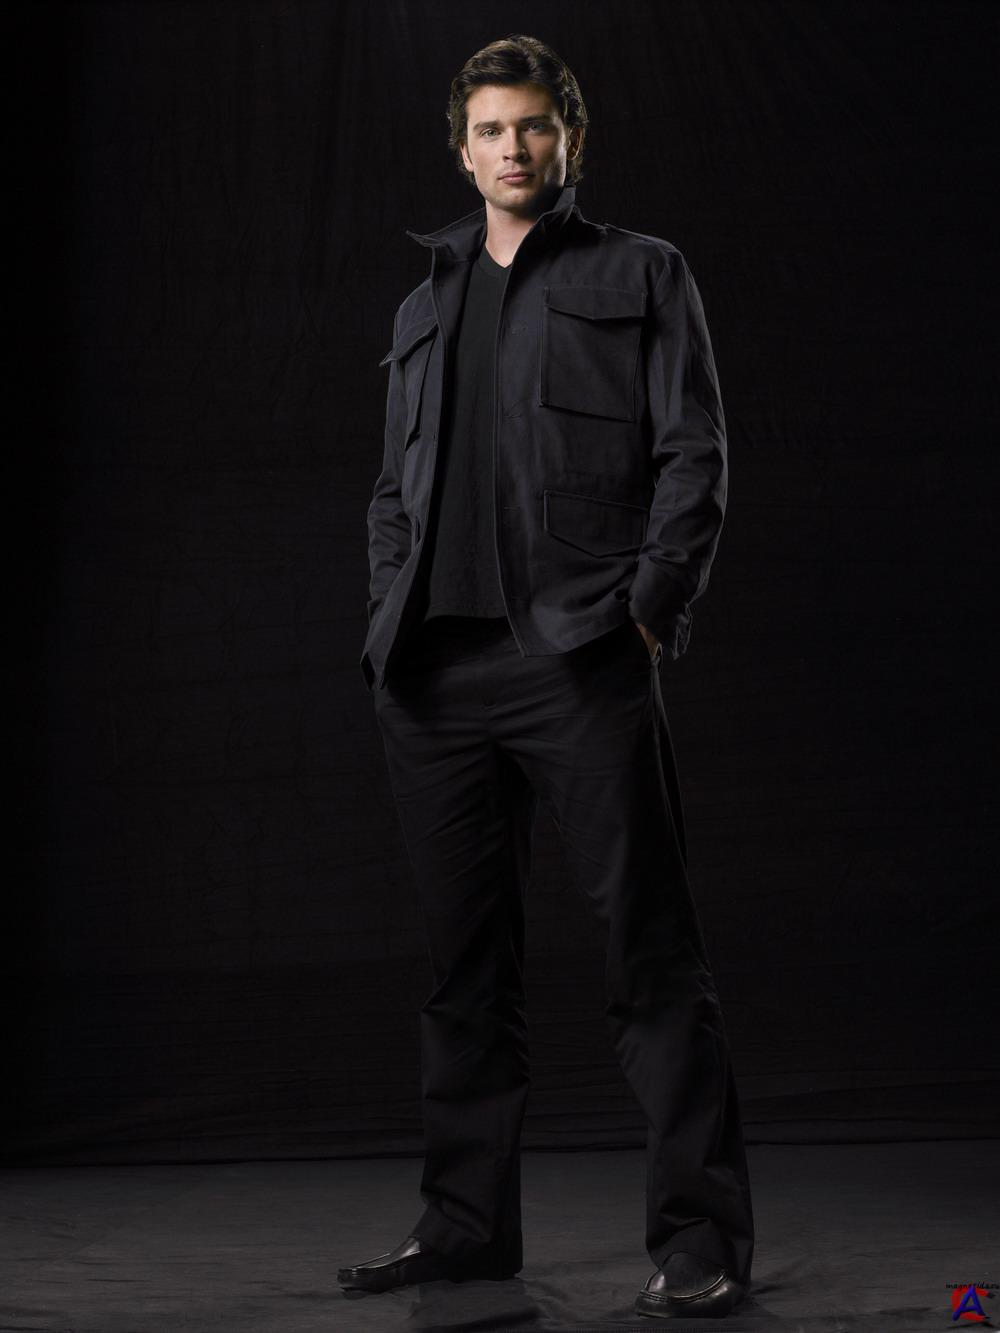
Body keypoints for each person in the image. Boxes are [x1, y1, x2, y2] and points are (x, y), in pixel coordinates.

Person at [340, 33, 755, 1321]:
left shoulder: (642, 272)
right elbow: (395, 490)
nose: (513, 148)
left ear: (569, 139)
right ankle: (465, 1232)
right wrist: (387, 615)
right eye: (491, 130)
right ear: (461, 151)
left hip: (577, 658)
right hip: (434, 680)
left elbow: (694, 455)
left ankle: (700, 1240)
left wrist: (647, 616)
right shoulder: (422, 306)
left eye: (533, 126)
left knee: (650, 955)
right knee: (463, 972)